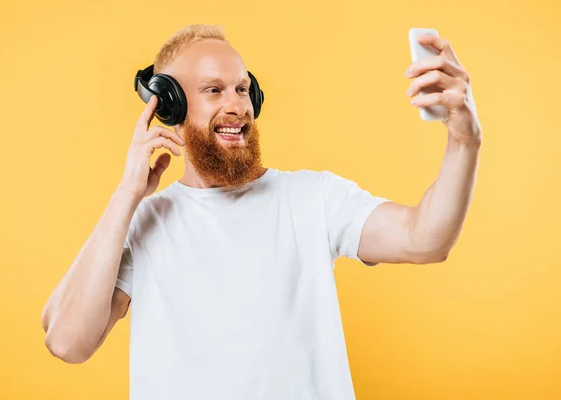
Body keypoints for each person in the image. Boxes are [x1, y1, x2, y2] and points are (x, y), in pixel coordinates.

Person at [41, 24, 481, 399]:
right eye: (214, 90)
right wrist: (127, 194)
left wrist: (465, 138)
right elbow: (66, 340)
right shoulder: (145, 222)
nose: (238, 105)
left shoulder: (313, 197)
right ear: (171, 107)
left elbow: (425, 239)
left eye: (242, 89)